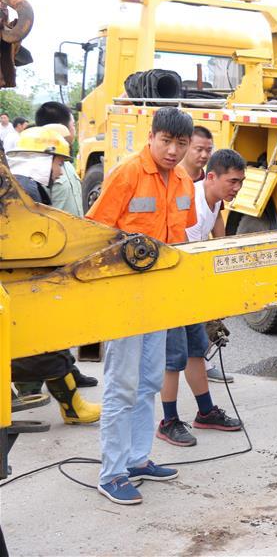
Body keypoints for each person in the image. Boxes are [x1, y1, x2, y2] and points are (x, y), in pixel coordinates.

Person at [85, 107, 197, 505]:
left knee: (149, 381)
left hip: (159, 298)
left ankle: (137, 459)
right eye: (166, 140)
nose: (172, 150)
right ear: (151, 137)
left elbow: (182, 238)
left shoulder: (183, 178)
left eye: (180, 143)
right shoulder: (128, 172)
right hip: (123, 297)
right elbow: (95, 232)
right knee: (121, 386)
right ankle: (112, 473)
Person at [6, 126, 101, 424]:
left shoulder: (21, 188)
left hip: (21, 284)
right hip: (27, 284)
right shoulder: (27, 192)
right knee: (46, 345)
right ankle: (72, 408)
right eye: (59, 163)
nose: (61, 172)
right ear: (42, 160)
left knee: (44, 345)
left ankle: (63, 405)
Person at [157, 149, 246, 447]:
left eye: (240, 182)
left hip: (189, 287)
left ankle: (205, 412)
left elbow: (217, 243)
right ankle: (168, 421)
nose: (237, 188)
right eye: (232, 181)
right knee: (174, 358)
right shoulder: (191, 202)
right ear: (211, 177)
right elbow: (182, 255)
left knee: (196, 350)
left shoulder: (216, 199)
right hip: (171, 287)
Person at [177, 125, 231, 383]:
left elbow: (217, 212)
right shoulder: (178, 180)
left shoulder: (208, 179)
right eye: (198, 149)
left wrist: (224, 249)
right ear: (186, 147)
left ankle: (201, 363)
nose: (203, 154)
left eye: (208, 150)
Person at [35, 102, 83, 217]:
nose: (74, 131)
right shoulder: (40, 171)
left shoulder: (66, 163)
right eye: (73, 126)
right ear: (62, 128)